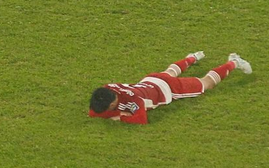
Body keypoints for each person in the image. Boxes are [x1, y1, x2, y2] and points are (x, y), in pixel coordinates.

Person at [89, 51, 252, 124]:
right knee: (169, 72)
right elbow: (93, 112)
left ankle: (234, 62)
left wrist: (120, 117)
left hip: (168, 89)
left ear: (113, 102)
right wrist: (116, 113)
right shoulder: (107, 89)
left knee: (206, 83)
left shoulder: (135, 101)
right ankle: (191, 58)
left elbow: (141, 120)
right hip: (150, 80)